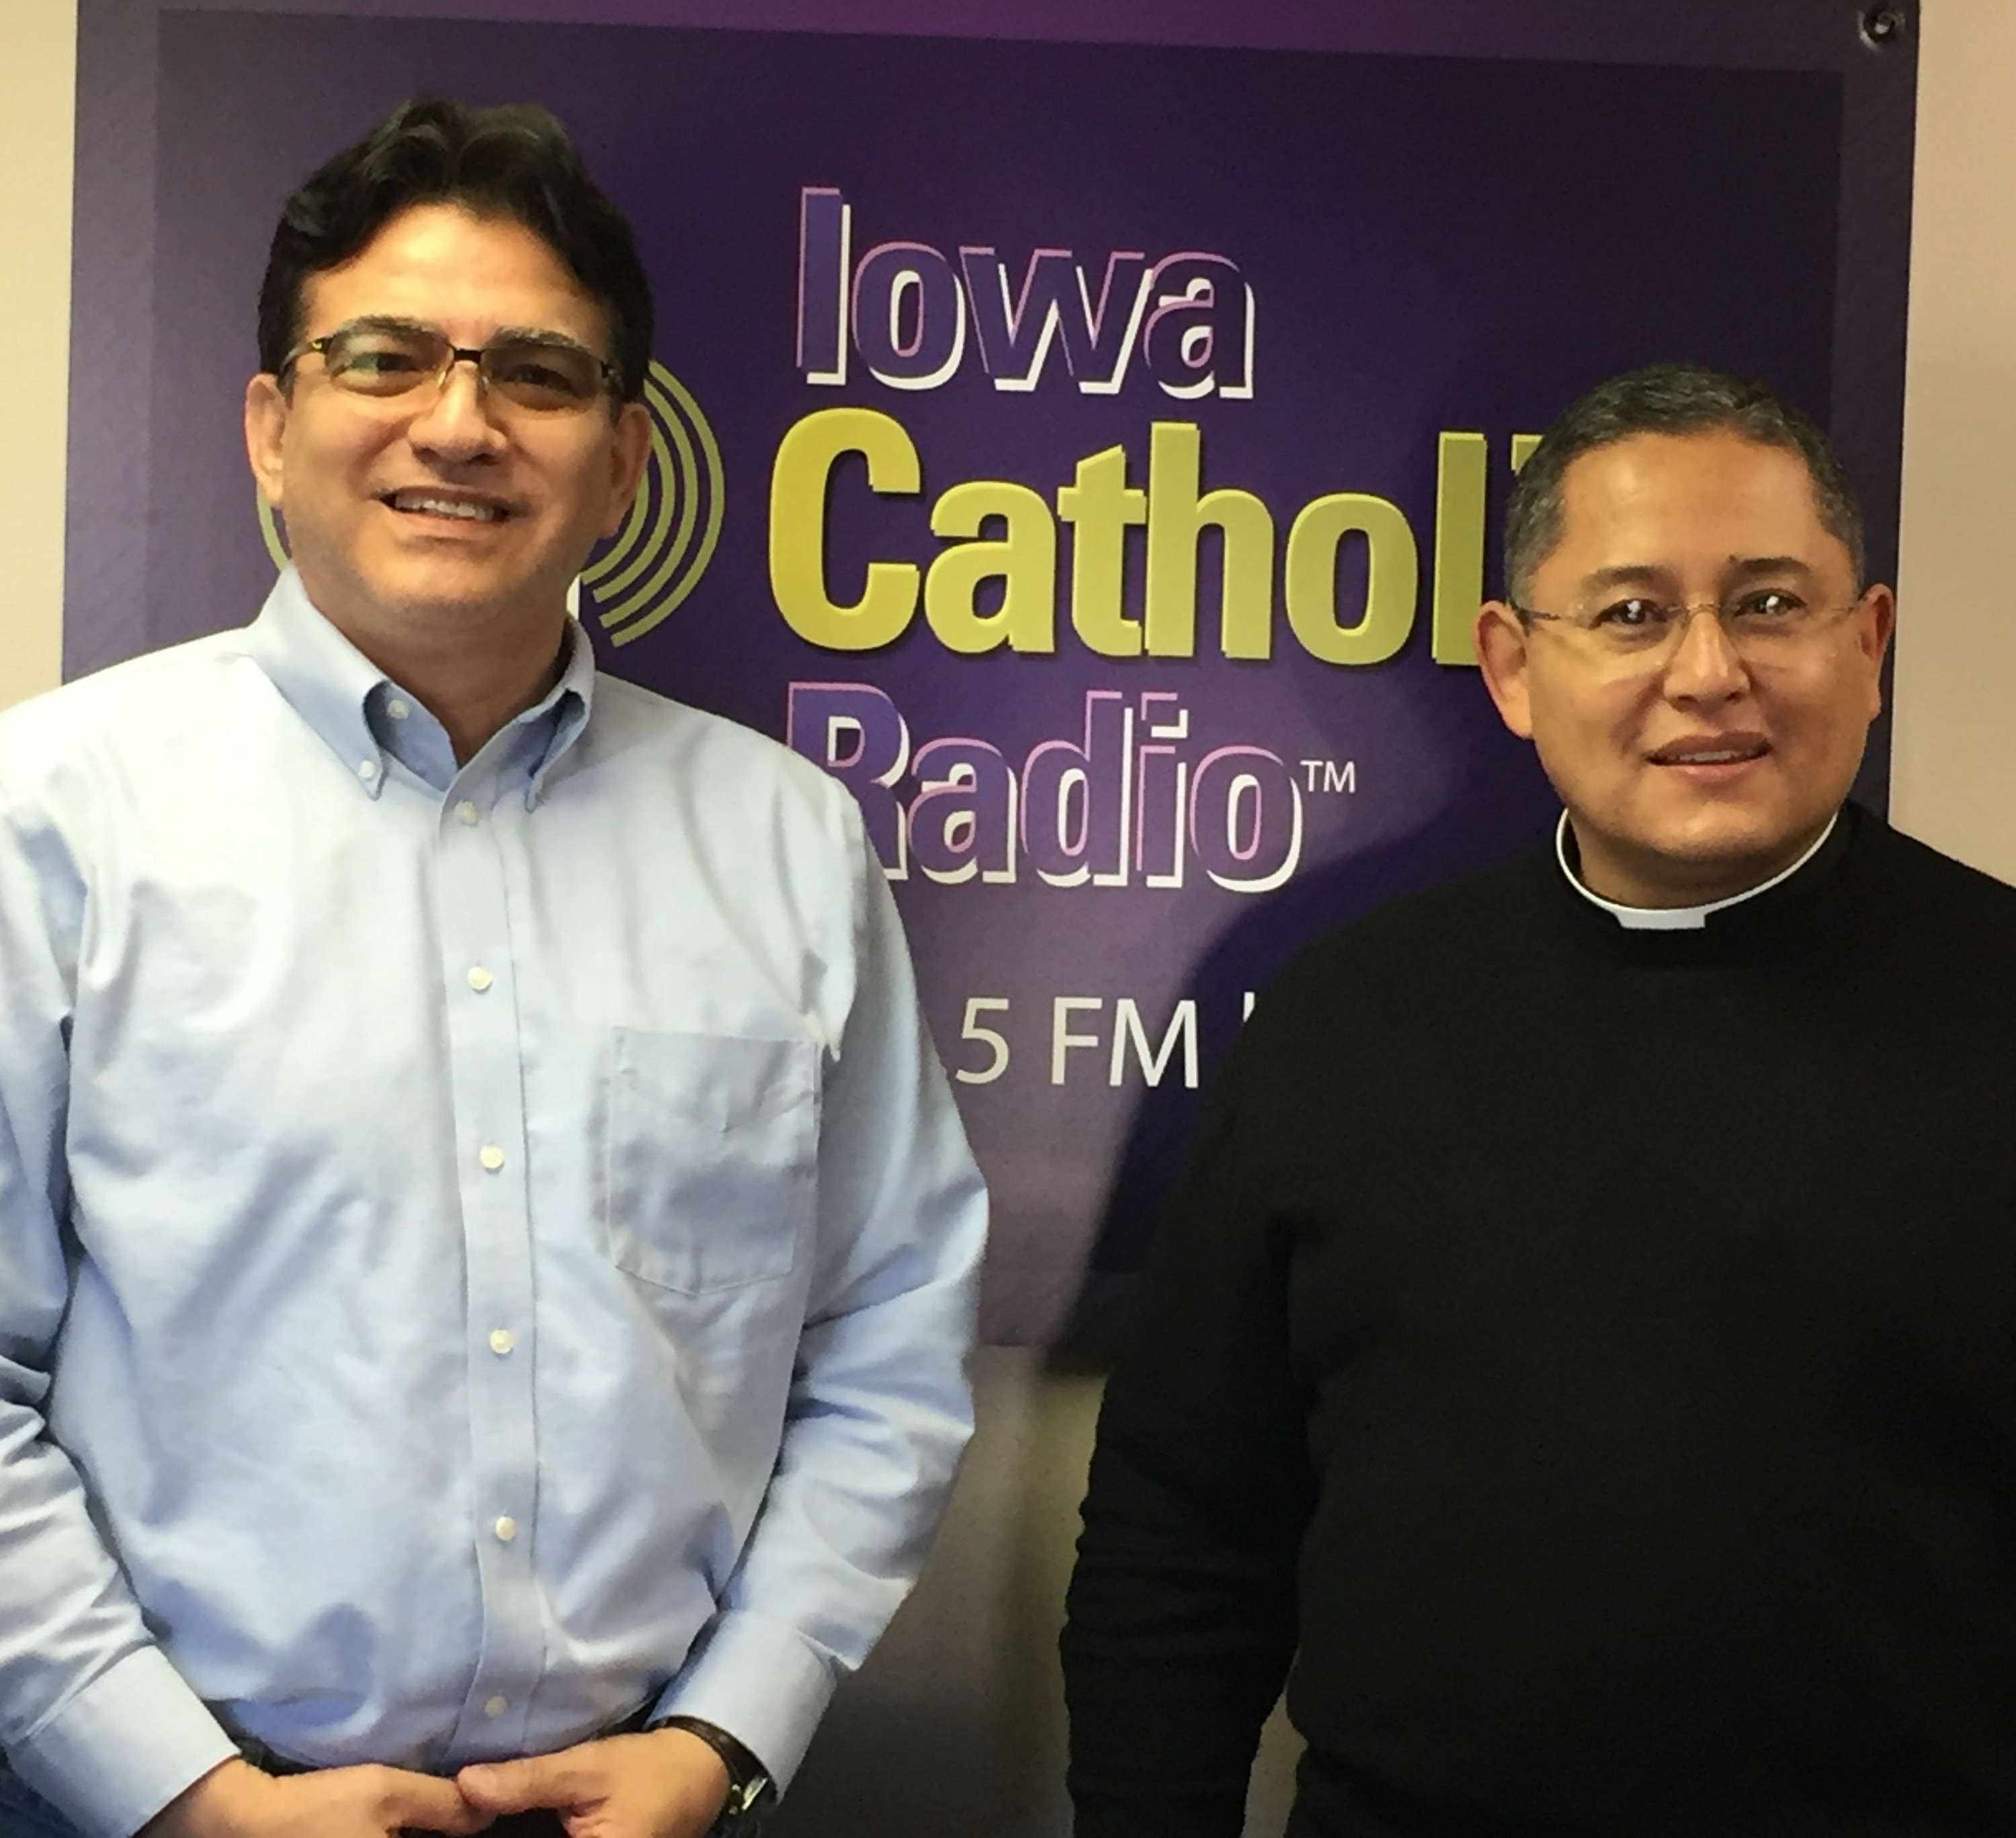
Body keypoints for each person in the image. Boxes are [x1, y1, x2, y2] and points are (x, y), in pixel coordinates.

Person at [0, 99, 986, 1838]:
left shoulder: (785, 845)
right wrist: (181, 1792)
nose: (457, 425)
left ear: (623, 463)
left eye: (534, 373)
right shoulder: (54, 817)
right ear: (272, 424)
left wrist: (727, 1736)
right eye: (384, 357)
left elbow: (888, 1337)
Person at [1061, 362, 2016, 1836]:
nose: (1710, 671)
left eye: (1770, 603)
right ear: (1512, 667)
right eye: (1632, 614)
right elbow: (1181, 1538)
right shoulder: (1346, 1020)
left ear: (1870, 642)